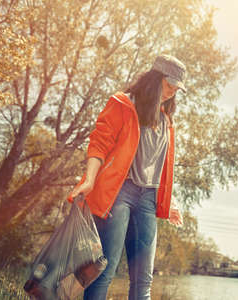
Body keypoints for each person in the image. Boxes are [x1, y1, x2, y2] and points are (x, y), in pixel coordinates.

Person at [69, 54, 185, 300]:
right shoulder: (123, 104)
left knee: (143, 280)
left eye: (177, 89)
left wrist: (169, 202)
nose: (172, 92)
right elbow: (99, 143)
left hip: (148, 200)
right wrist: (89, 180)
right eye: (168, 84)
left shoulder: (166, 121)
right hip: (119, 194)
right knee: (104, 272)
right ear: (155, 79)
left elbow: (159, 166)